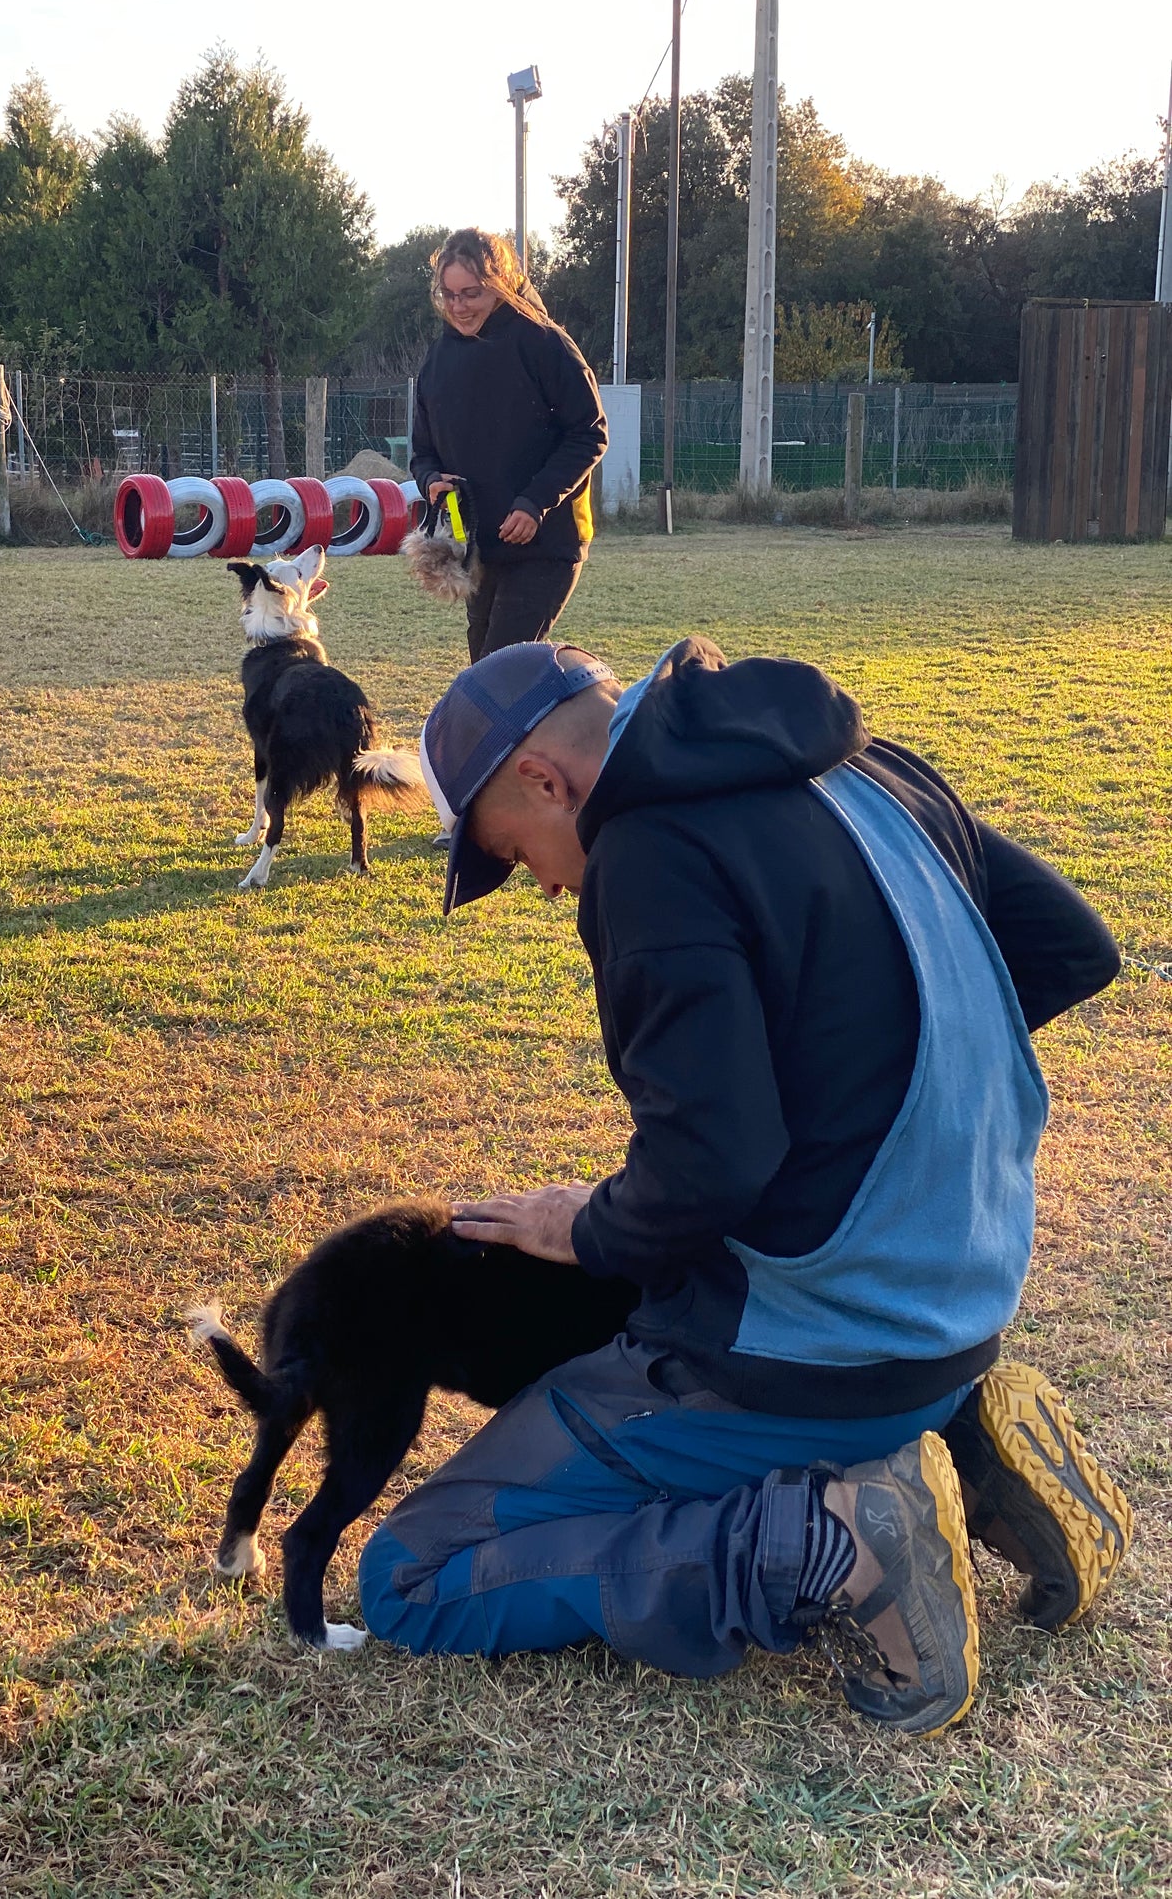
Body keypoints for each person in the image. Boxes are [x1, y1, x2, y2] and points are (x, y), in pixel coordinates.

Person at [365, 638, 1133, 1736]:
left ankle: (822, 1538)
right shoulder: (871, 769)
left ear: (544, 778)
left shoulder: (647, 851)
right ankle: (964, 1438)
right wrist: (870, 1106)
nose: (541, 881)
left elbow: (707, 1172)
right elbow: (1070, 948)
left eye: (515, 849)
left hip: (804, 1354)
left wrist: (578, 1221)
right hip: (958, 1310)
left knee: (412, 1571)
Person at [410, 229, 607, 664]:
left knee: (500, 675)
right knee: (485, 674)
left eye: (471, 294)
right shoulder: (438, 358)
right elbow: (422, 452)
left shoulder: (545, 344)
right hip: (479, 546)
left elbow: (590, 433)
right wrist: (430, 480)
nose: (459, 307)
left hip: (546, 546)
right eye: (449, 295)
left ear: (499, 285)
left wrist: (535, 503)